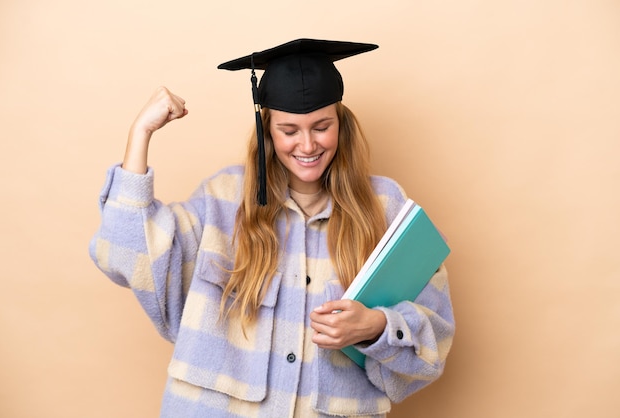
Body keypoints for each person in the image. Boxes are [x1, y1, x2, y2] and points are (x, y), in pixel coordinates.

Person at [89, 38, 455, 418]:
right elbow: (124, 251)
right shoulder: (223, 199)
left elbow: (433, 347)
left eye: (321, 126)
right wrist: (140, 134)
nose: (307, 144)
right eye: (289, 130)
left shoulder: (386, 209)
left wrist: (375, 326)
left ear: (341, 125)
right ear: (268, 131)